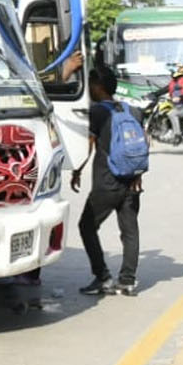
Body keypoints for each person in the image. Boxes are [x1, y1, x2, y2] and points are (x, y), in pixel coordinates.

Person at [73, 65, 142, 296]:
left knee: (86, 226)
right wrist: (138, 175)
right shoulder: (132, 110)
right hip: (131, 182)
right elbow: (141, 145)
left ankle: (102, 277)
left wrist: (77, 171)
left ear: (97, 87)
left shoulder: (99, 112)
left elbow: (89, 146)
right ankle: (128, 281)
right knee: (130, 231)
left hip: (106, 183)